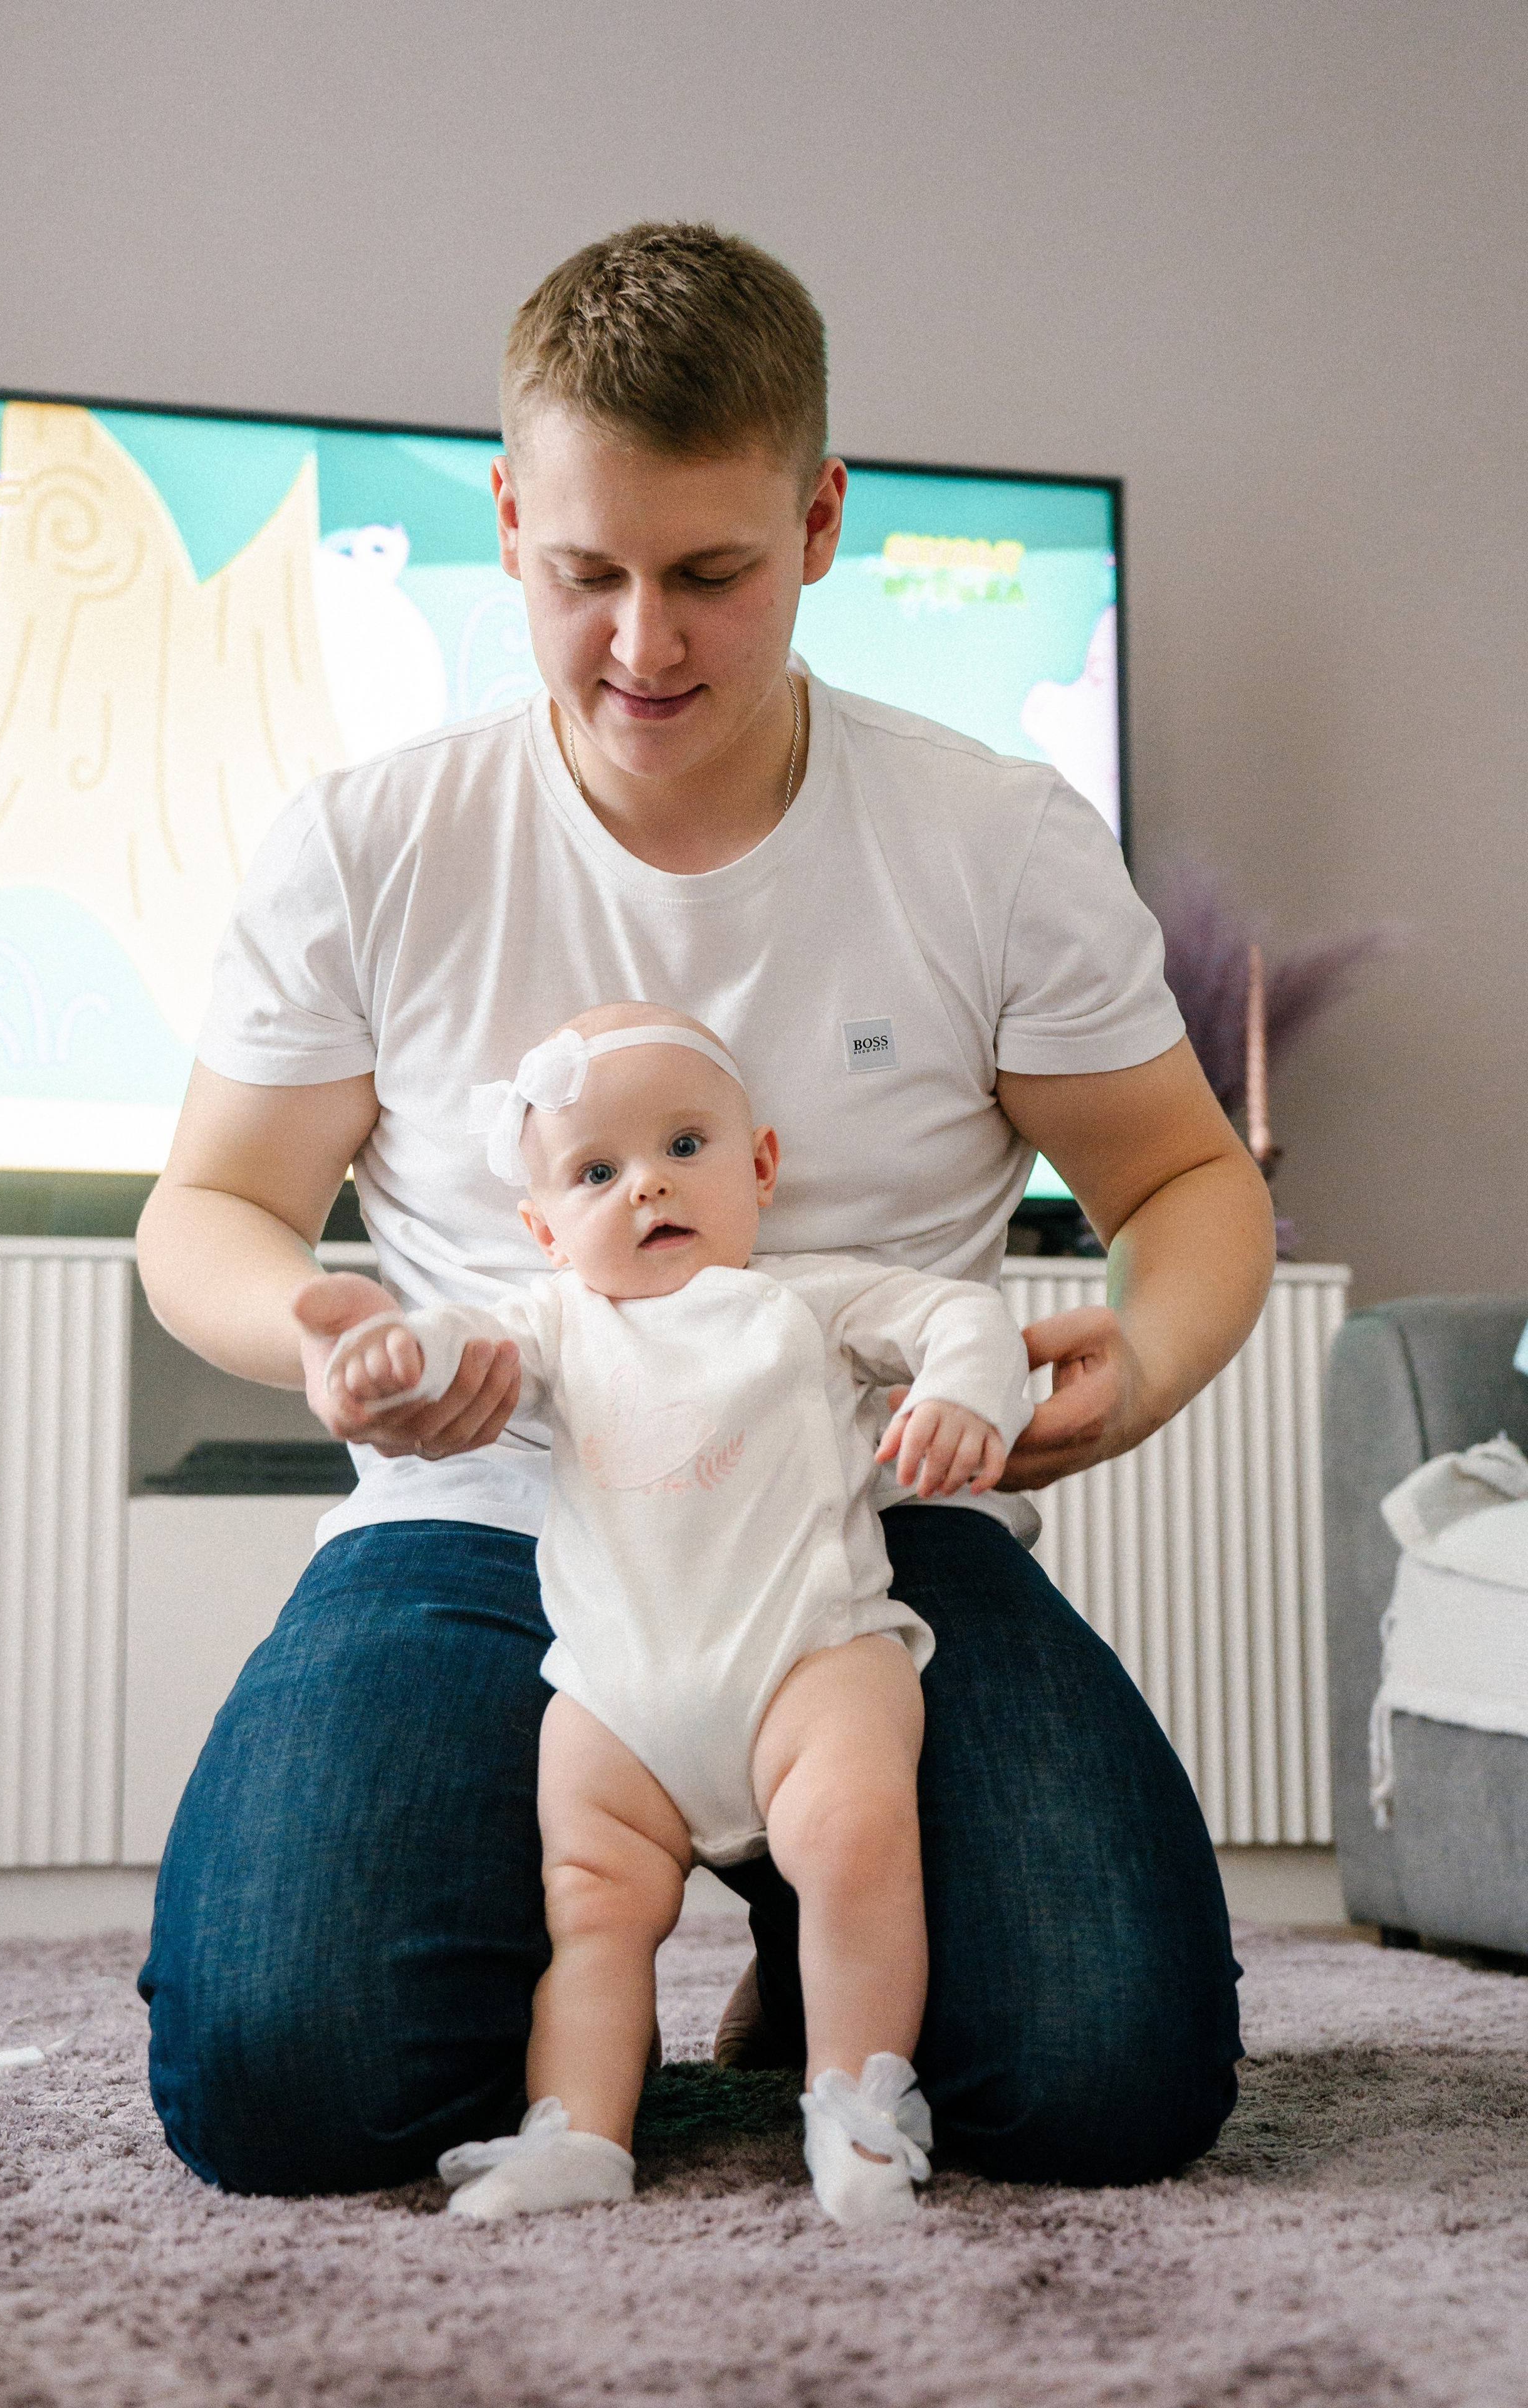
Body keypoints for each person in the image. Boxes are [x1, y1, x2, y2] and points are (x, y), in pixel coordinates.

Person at [135, 220, 1275, 2200]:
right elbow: (215, 1206)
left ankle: (804, 1918)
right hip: (488, 1514)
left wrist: (1153, 1355)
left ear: (821, 523)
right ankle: (622, 1920)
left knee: (1110, 2081)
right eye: (586, 575)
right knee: (284, 2081)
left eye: (711, 575)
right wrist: (318, 1335)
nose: (643, 646)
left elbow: (1184, 1177)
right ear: (509, 522)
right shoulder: (375, 839)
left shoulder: (992, 840)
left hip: (871, 1536)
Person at [310, 1001, 1032, 2225]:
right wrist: (398, 1354)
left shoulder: (804, 1302)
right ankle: (580, 2132)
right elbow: (464, 1346)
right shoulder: (554, 1321)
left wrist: (965, 1391)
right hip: (617, 1697)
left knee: (856, 1839)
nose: (647, 1183)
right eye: (596, 1172)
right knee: (589, 1903)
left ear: (760, 1166)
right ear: (544, 1230)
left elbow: (956, 1313)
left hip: (804, 1657)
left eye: (684, 1147)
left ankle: (855, 2103)